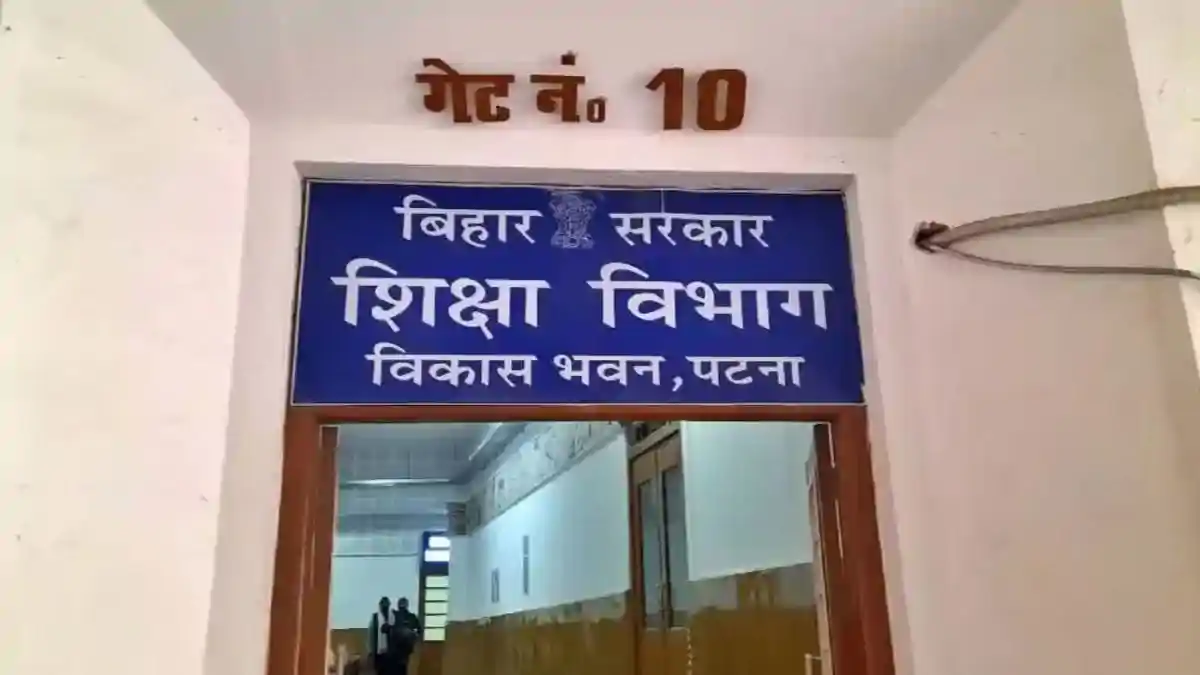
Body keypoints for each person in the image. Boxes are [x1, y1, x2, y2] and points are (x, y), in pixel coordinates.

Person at [390, 597, 422, 675]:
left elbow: (419, 630)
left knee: (398, 668)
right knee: (400, 667)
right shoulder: (395, 615)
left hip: (400, 647)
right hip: (398, 647)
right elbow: (419, 631)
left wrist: (412, 635)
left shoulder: (397, 615)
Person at [368, 597, 396, 675]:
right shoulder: (375, 617)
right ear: (380, 606)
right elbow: (371, 635)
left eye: (386, 605)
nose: (384, 607)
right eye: (383, 605)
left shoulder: (394, 616)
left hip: (391, 653)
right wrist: (370, 650)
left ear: (389, 606)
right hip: (379, 653)